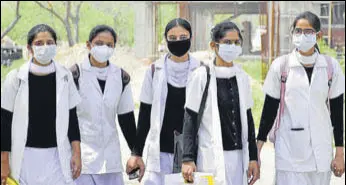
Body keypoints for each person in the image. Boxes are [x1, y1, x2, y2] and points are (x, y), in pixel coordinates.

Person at [256, 11, 345, 185]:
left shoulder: (330, 67)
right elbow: (269, 110)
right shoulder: (281, 66)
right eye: (298, 31)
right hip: (289, 154)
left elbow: (337, 113)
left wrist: (340, 153)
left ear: (318, 35)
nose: (302, 35)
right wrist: (256, 152)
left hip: (321, 154)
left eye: (308, 32)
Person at [1, 24, 81, 185]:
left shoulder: (65, 77)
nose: (45, 47)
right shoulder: (15, 78)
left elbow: (72, 118)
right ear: (29, 48)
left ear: (55, 46)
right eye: (39, 43)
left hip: (57, 157)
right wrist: (3, 160)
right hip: (24, 157)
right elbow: (4, 122)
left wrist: (76, 152)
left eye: (50, 42)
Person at [181, 20, 260, 185]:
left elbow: (248, 119)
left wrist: (253, 158)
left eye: (236, 42)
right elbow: (190, 118)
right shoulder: (202, 76)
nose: (233, 46)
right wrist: (187, 158)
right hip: (211, 156)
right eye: (227, 42)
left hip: (239, 158)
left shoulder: (242, 77)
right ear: (213, 45)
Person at [126, 18, 201, 185]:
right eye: (172, 38)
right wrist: (136, 152)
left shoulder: (202, 70)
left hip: (192, 156)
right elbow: (145, 113)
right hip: (160, 152)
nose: (178, 42)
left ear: (191, 38)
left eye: (183, 37)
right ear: (165, 39)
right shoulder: (154, 71)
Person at [72, 25, 137, 185]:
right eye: (99, 43)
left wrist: (136, 153)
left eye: (109, 45)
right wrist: (74, 153)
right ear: (88, 45)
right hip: (82, 162)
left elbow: (126, 118)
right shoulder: (74, 75)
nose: (104, 48)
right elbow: (67, 119)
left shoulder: (121, 77)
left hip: (111, 161)